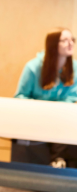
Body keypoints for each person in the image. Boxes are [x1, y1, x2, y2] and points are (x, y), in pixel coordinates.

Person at [15, 28, 77, 168]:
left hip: (62, 117)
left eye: (72, 39)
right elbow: (20, 97)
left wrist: (56, 110)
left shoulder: (75, 68)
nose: (70, 43)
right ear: (53, 44)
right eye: (65, 40)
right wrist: (43, 109)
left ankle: (60, 164)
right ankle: (58, 160)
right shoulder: (33, 67)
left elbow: (72, 97)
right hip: (36, 116)